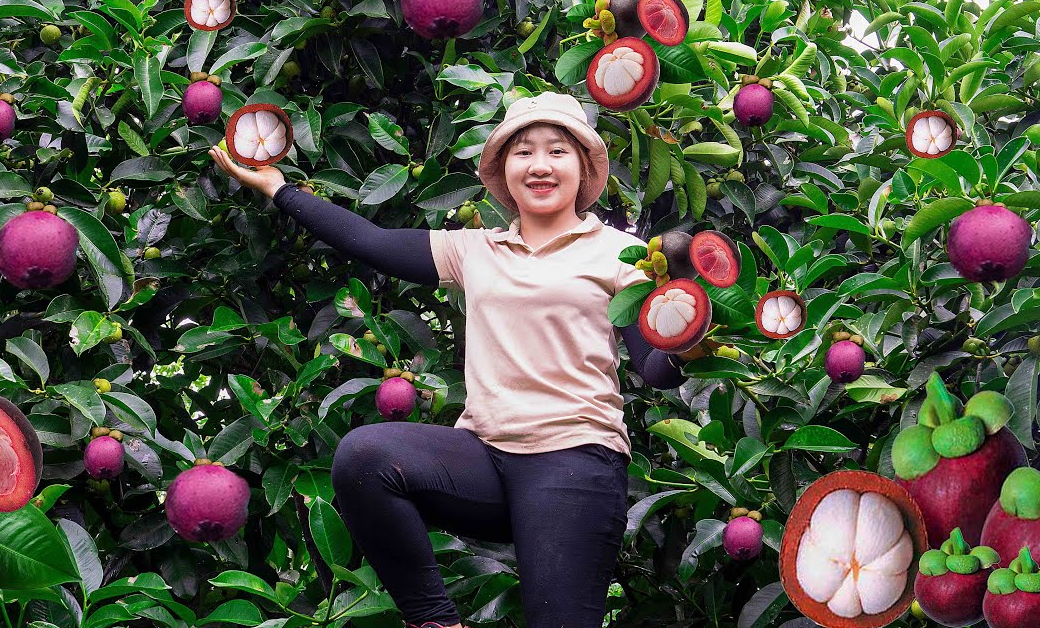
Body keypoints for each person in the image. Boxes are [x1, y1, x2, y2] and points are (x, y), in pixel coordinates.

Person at [209, 92, 695, 628]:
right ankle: (436, 621)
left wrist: (694, 335)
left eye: (557, 151)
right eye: (522, 152)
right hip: (485, 458)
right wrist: (279, 190)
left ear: (583, 169)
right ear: (503, 172)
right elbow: (369, 241)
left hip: (575, 460)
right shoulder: (475, 249)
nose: (539, 165)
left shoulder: (621, 255)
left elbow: (656, 370)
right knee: (364, 457)